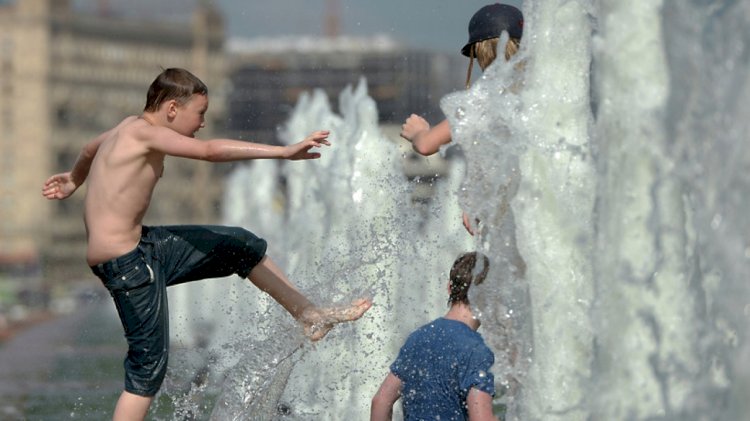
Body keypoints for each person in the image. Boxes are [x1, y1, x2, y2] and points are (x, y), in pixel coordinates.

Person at [42, 68, 372, 421]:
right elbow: (211, 152)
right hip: (129, 263)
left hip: (144, 246)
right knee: (148, 367)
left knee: (240, 245)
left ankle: (308, 315)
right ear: (171, 109)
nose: (201, 123)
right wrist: (284, 152)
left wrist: (74, 179)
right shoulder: (144, 134)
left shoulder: (126, 127)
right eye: (199, 113)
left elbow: (88, 148)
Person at [398, 3, 524, 234]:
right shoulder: (541, 94)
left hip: (510, 221)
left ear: (477, 54)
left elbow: (426, 145)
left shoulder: (483, 99)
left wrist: (418, 131)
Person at [371, 252, 498, 421]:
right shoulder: (477, 351)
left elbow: (380, 401)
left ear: (449, 288)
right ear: (488, 297)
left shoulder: (417, 338)